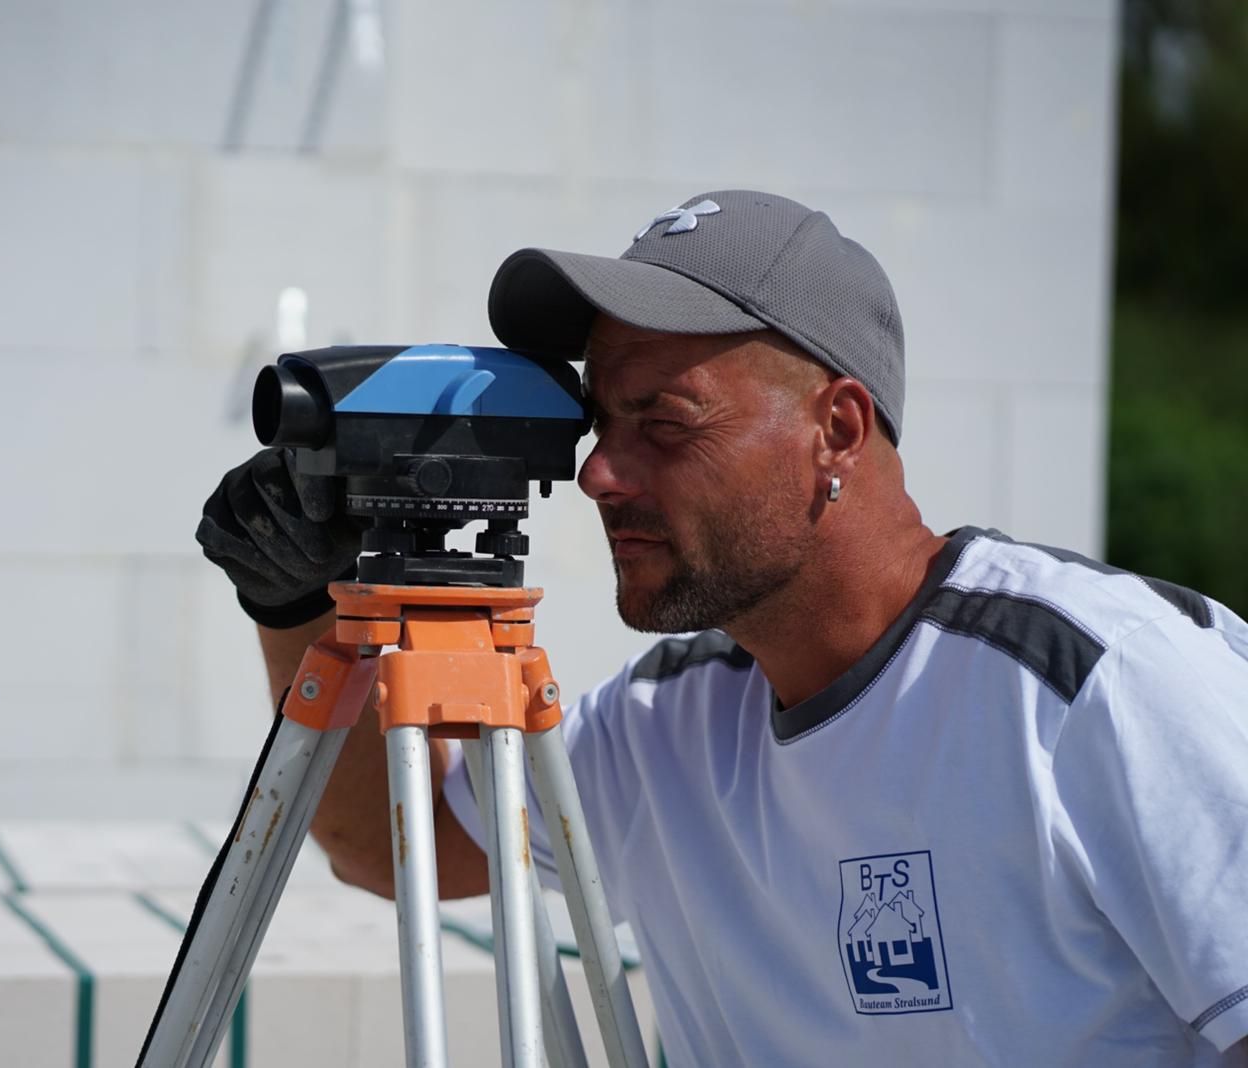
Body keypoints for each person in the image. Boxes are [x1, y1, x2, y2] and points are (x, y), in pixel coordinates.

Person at [196, 190, 1248, 1065]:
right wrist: (295, 604)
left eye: (665, 422)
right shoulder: (666, 722)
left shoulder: (1100, 682)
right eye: (601, 424)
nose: (600, 475)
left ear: (836, 428)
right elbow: (390, 847)